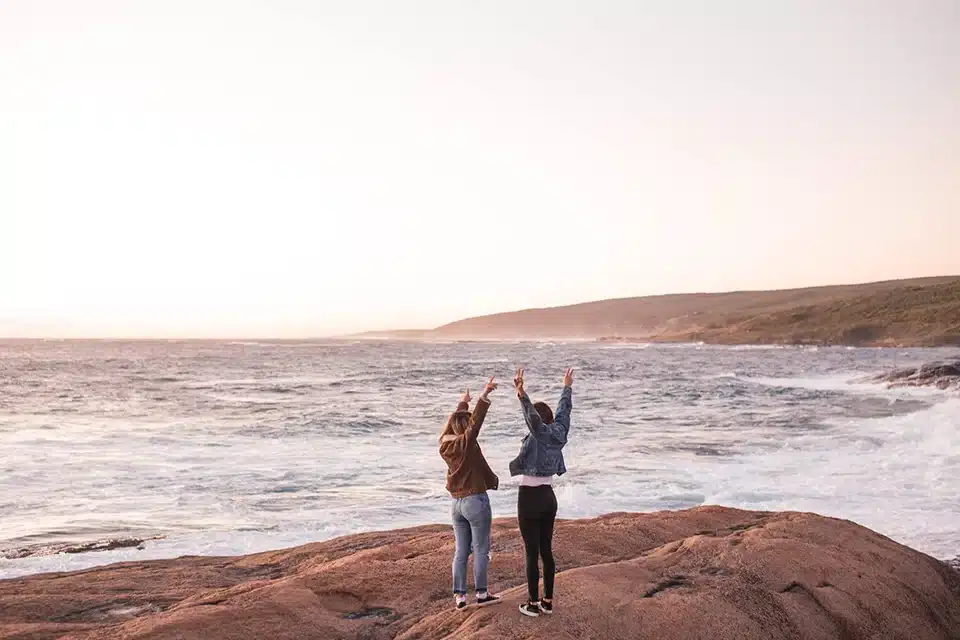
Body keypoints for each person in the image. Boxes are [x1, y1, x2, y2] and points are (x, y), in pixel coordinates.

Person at [510, 367, 574, 618]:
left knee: (531, 552)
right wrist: (567, 387)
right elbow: (564, 412)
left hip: (529, 498)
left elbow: (532, 419)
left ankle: (533, 604)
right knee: (546, 550)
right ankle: (547, 601)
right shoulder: (558, 432)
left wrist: (521, 393)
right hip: (548, 497)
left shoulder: (540, 432)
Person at [439, 376, 502, 610]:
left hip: (456, 504)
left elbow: (452, 426)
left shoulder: (445, 446)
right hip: (475, 500)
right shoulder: (466, 442)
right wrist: (484, 395)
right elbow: (475, 424)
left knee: (461, 551)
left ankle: (460, 597)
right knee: (481, 550)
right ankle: (482, 593)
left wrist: (462, 404)